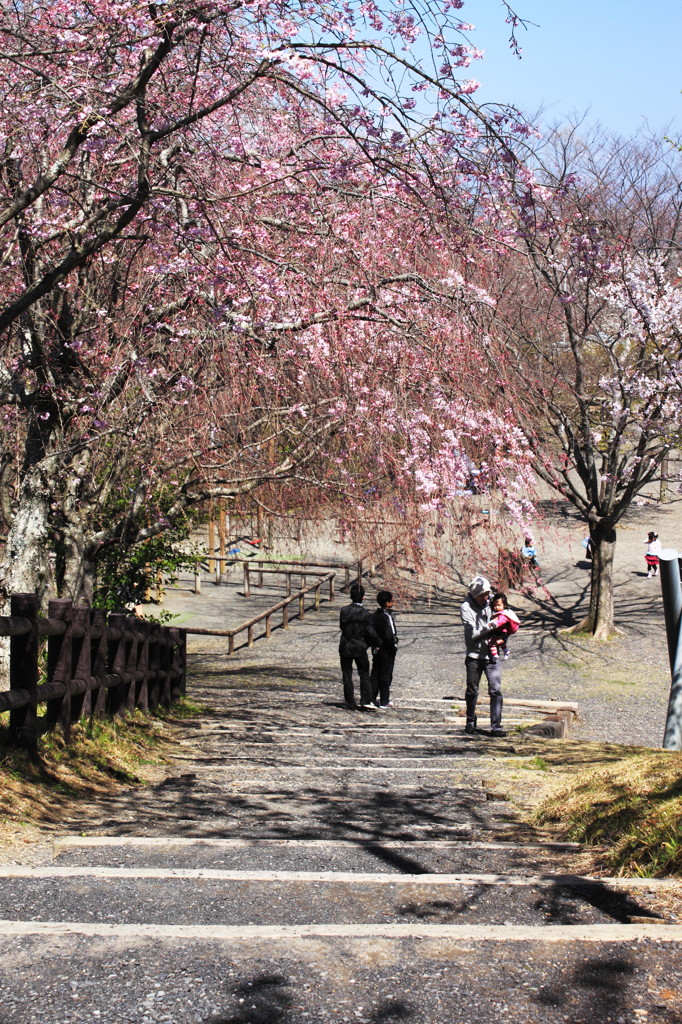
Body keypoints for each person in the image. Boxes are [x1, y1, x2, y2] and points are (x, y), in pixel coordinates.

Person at [460, 575, 506, 737]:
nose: (487, 597)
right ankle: (470, 721)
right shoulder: (466, 608)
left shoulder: (491, 601)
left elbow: (504, 615)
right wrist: (491, 626)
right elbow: (472, 634)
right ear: (475, 594)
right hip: (474, 656)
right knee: (472, 690)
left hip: (492, 655)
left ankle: (496, 726)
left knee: (496, 690)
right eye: (484, 594)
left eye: (488, 593)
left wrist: (503, 634)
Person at [339, 583, 379, 711]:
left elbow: (342, 626)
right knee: (363, 673)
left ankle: (349, 701)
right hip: (359, 646)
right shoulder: (366, 615)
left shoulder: (344, 610)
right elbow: (370, 633)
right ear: (363, 597)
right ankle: (364, 699)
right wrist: (376, 643)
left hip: (346, 644)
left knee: (347, 674)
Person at [370, 590, 399, 708]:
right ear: (387, 603)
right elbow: (389, 634)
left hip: (377, 648)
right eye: (391, 601)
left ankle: (371, 698)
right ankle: (384, 700)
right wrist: (394, 644)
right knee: (386, 675)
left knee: (375, 673)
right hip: (387, 649)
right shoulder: (386, 617)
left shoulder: (374, 616)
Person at [486, 592, 520, 662]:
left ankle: (495, 655)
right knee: (502, 644)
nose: (497, 607)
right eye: (495, 605)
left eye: (499, 605)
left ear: (504, 605)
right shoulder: (501, 613)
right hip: (502, 633)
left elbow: (502, 620)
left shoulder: (503, 614)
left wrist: (495, 624)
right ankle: (506, 650)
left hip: (501, 633)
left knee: (491, 642)